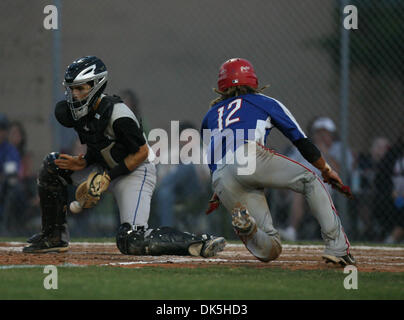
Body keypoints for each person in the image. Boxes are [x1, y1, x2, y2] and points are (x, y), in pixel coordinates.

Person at [23, 56, 226, 258]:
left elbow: (142, 152)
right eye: (72, 89)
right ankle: (53, 236)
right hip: (105, 169)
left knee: (132, 240)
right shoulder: (74, 112)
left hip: (135, 173)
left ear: (96, 85)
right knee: (53, 164)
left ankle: (198, 242)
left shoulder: (119, 114)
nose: (74, 95)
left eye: (80, 88)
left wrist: (109, 177)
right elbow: (100, 145)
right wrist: (85, 161)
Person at [201, 58, 355, 266]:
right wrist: (326, 169)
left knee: (271, 249)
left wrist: (218, 190)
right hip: (249, 157)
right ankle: (337, 248)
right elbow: (301, 140)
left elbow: (212, 155)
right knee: (311, 179)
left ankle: (248, 227)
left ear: (221, 85)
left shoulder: (211, 115)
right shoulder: (264, 102)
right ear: (253, 80)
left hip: (220, 176)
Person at [279, 116, 354, 241]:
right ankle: (292, 231)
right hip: (300, 184)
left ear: (332, 135)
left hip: (326, 185)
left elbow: (341, 172)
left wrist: (324, 152)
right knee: (299, 188)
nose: (322, 136)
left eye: (325, 133)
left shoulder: (339, 148)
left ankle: (327, 232)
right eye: (318, 133)